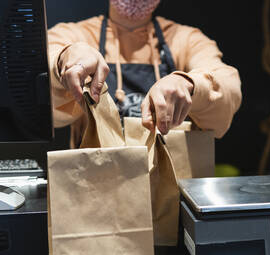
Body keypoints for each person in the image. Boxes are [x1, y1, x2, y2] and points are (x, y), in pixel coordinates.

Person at [48, 0, 242, 147]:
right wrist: (66, 57)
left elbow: (226, 84)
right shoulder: (76, 34)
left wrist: (189, 83)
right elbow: (49, 55)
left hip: (173, 187)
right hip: (98, 186)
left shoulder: (186, 39)